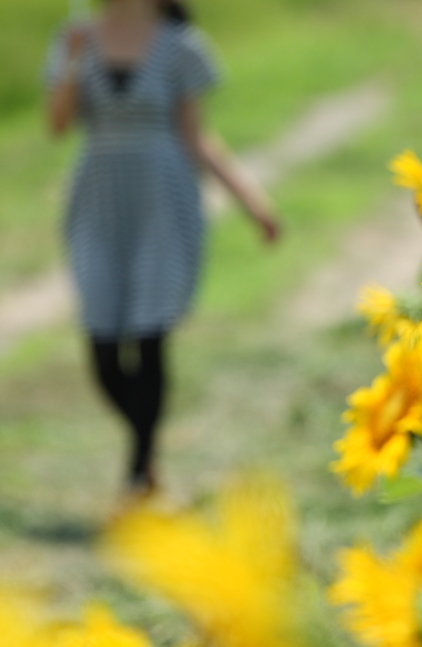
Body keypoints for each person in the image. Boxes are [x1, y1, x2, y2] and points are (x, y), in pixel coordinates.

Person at [45, 0, 280, 497]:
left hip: (162, 200)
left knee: (150, 335)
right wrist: (70, 61)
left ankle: (137, 474)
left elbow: (198, 138)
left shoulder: (180, 46)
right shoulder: (76, 36)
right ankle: (146, 451)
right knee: (103, 347)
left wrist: (251, 202)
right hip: (96, 200)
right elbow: (58, 125)